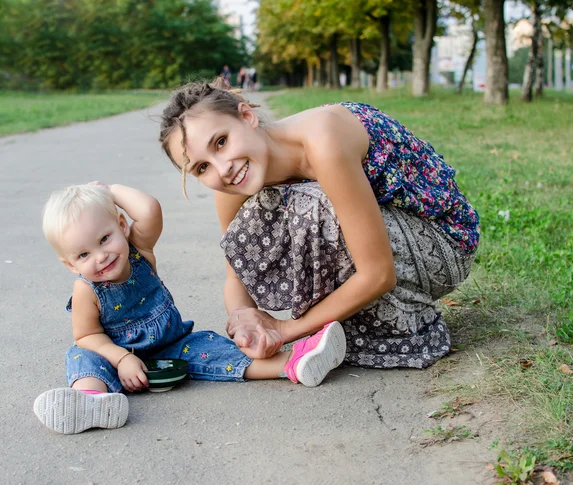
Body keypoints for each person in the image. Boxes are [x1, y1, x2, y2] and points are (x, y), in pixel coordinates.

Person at [158, 80, 480, 370]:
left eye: (221, 142)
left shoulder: (322, 140)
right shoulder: (233, 181)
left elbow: (378, 273)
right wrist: (243, 319)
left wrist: (286, 330)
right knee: (261, 212)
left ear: (247, 116)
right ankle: (344, 322)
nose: (223, 168)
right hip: (389, 238)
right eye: (202, 168)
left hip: (443, 242)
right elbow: (236, 274)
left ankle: (399, 322)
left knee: (308, 205)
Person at [33, 183, 346, 434]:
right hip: (113, 355)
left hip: (170, 346)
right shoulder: (86, 289)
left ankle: (294, 363)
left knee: (211, 347)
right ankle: (92, 401)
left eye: (104, 239)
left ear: (121, 226)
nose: (100, 256)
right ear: (69, 264)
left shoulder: (139, 252)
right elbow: (87, 335)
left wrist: (108, 191)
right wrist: (123, 358)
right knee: (81, 357)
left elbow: (149, 210)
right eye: (84, 254)